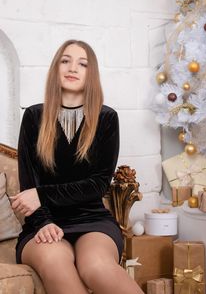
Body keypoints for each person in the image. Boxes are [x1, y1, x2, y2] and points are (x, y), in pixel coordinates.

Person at [11, 40, 144, 294]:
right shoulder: (33, 117)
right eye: (65, 60)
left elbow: (97, 185)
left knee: (96, 266)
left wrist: (42, 195)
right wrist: (42, 222)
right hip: (43, 222)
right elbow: (28, 185)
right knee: (56, 263)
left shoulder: (106, 118)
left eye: (82, 63)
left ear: (91, 73)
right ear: (55, 69)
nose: (72, 67)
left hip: (92, 220)